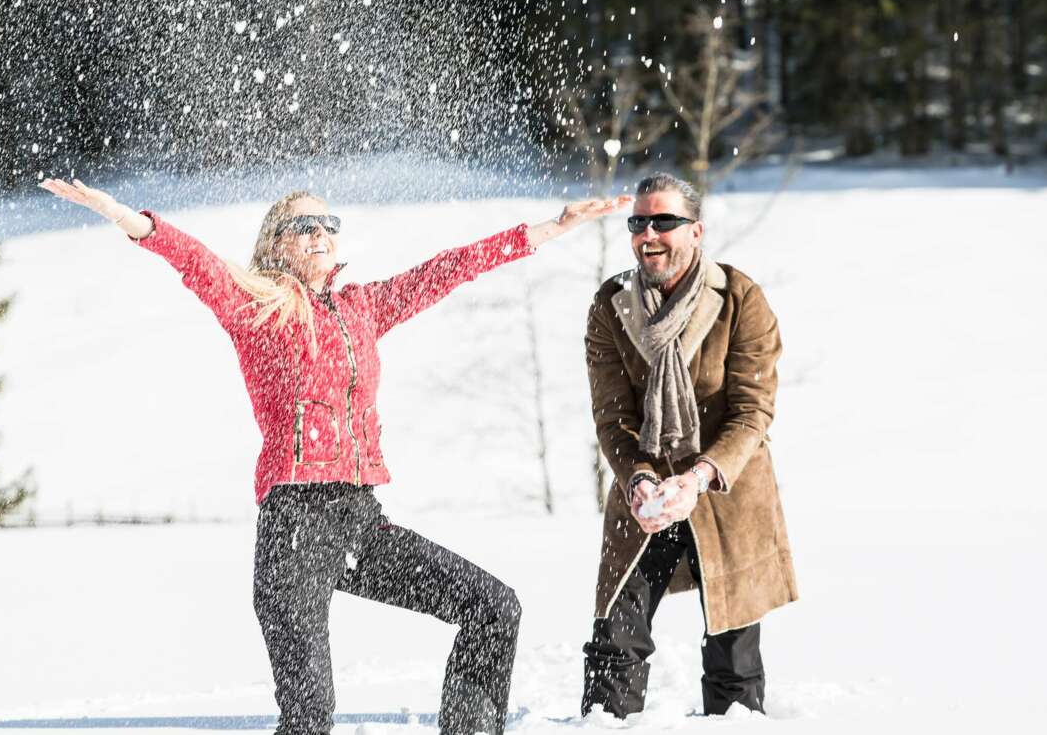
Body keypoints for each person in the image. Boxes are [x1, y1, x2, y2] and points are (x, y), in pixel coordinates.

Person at [40, 178, 632, 735]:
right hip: (294, 531)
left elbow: (447, 269)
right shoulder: (256, 308)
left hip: (359, 523)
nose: (321, 233)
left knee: (493, 608)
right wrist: (123, 216)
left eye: (329, 224)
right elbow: (193, 260)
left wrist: (550, 227)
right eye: (305, 226)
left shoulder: (361, 308)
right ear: (277, 244)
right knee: (310, 716)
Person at [579, 172, 797, 718]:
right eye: (638, 222)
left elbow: (752, 411)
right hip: (646, 494)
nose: (648, 234)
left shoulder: (739, 298)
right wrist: (640, 479)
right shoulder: (611, 305)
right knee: (615, 640)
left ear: (696, 231)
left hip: (725, 491)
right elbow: (613, 418)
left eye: (664, 221)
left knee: (733, 657)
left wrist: (698, 477)